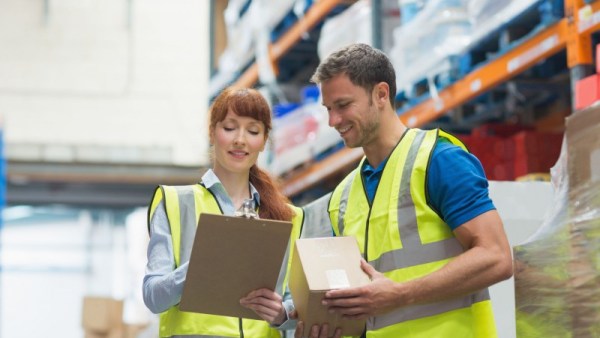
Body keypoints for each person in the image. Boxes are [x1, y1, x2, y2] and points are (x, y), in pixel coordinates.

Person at [300, 43, 514, 337]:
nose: (333, 121)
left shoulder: (437, 160)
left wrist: (401, 294)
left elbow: (496, 256)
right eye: (328, 109)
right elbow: (362, 303)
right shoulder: (343, 197)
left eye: (343, 105)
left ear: (381, 94)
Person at [143, 86, 304, 337]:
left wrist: (282, 313)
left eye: (252, 131)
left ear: (263, 141)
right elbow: (153, 296)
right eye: (229, 128)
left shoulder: (288, 216)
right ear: (212, 132)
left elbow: (299, 304)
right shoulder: (176, 201)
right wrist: (200, 265)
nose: (240, 139)